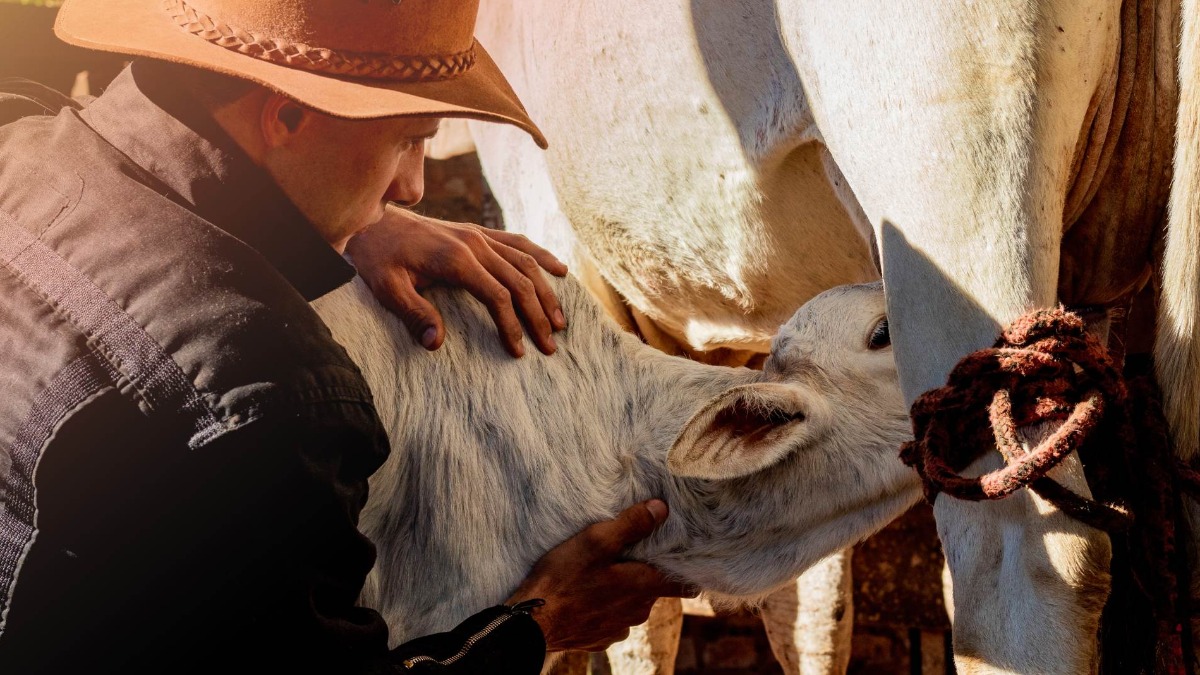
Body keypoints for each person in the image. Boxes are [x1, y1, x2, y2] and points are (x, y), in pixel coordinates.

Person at [0, 0, 693, 672]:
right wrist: (542, 621)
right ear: (290, 115)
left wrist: (349, 222)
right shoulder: (273, 394)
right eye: (409, 138)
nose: (416, 187)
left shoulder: (21, 156)